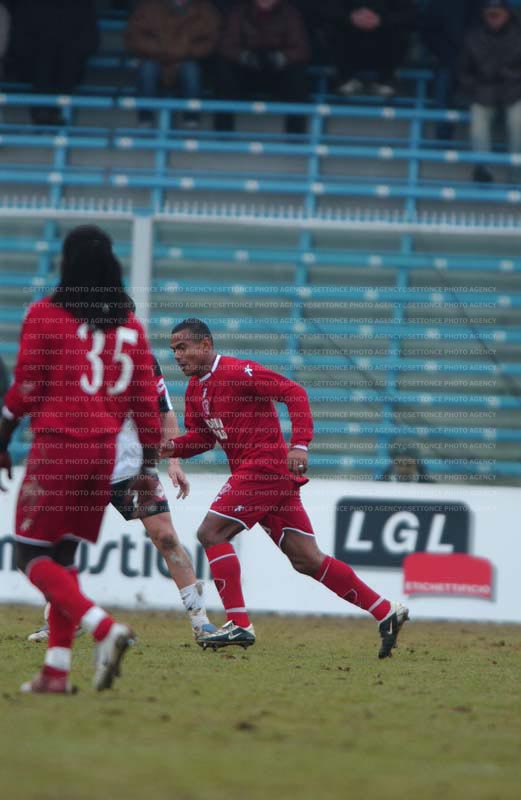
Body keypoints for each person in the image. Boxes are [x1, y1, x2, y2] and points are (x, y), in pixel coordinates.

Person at [161, 319, 409, 658]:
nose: (177, 355)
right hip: (265, 475)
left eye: (182, 347)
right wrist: (169, 448)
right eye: (173, 349)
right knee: (307, 559)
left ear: (205, 346)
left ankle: (239, 623)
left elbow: (294, 392)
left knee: (211, 532)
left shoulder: (239, 372)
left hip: (263, 467)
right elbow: (203, 438)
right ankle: (385, 611)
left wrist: (300, 444)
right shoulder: (195, 390)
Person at [0, 225, 161, 694]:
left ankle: (105, 628)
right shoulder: (131, 329)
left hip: (58, 449)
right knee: (65, 558)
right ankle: (56, 671)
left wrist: (3, 435)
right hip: (103, 455)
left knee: (30, 554)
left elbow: (26, 387)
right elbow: (145, 404)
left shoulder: (45, 314)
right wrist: (147, 469)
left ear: (67, 264)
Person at [28, 352, 216, 644]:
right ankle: (61, 617)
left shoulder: (143, 359)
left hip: (133, 467)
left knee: (166, 537)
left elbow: (165, 411)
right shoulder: (79, 353)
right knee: (63, 544)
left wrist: (174, 461)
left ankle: (201, 622)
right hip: (87, 465)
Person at [215, 0, 310, 135]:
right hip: (246, 71)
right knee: (223, 70)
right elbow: (226, 45)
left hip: (279, 73)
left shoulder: (290, 13)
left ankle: (295, 135)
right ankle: (223, 133)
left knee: (297, 75)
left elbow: (301, 48)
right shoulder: (239, 12)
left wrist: (282, 57)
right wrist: (244, 56)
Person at [124, 0, 221, 128]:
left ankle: (191, 118)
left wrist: (185, 51)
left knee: (191, 70)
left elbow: (211, 40)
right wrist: (161, 50)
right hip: (155, 58)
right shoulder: (149, 6)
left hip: (187, 59)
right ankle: (145, 117)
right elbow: (134, 35)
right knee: (148, 69)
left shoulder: (204, 9)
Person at [6, 0, 99, 126]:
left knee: (63, 63)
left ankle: (53, 112)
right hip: (39, 49)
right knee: (46, 62)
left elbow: (88, 37)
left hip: (66, 52)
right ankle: (49, 111)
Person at [459, 0, 521, 184]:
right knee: (478, 121)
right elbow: (463, 72)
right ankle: (483, 169)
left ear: (506, 14)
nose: (493, 18)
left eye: (497, 14)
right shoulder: (472, 38)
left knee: (518, 121)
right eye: (490, 14)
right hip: (483, 92)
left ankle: (517, 173)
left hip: (516, 91)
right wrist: (475, 89)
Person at [331, 1, 416, 98]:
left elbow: (410, 14)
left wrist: (380, 20)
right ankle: (345, 79)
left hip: (384, 43)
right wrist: (351, 18)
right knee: (333, 28)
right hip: (348, 40)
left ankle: (386, 80)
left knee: (401, 31)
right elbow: (326, 10)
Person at [420, 0, 477, 140]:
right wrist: (448, 55)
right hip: (447, 60)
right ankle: (443, 138)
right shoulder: (438, 4)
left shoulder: (483, 4)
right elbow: (428, 32)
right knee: (443, 85)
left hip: (479, 62)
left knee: (487, 90)